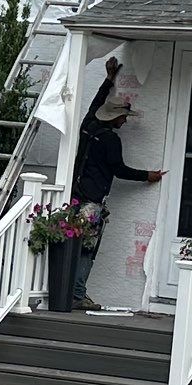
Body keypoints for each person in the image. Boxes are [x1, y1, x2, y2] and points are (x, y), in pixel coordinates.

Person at [69, 59, 164, 308]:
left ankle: (68, 289)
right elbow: (120, 170)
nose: (125, 121)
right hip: (91, 201)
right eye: (123, 117)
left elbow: (96, 104)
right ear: (115, 118)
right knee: (88, 248)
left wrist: (109, 79)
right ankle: (77, 295)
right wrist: (148, 176)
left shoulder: (88, 126)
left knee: (70, 243)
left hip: (75, 195)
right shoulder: (111, 141)